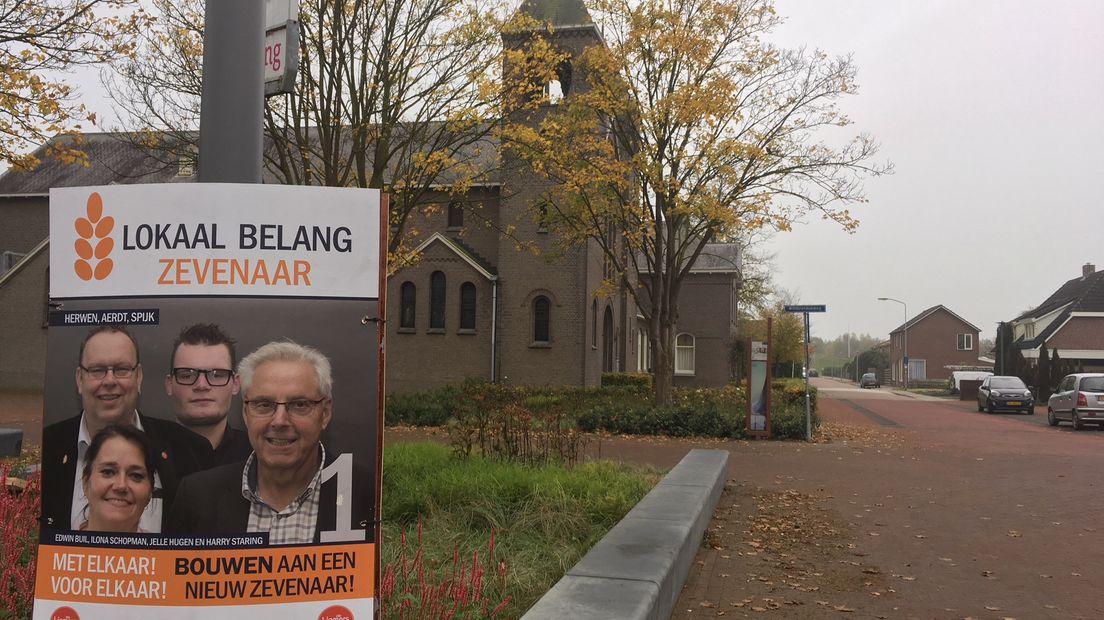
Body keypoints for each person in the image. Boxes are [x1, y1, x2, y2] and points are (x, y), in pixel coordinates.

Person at [168, 341, 370, 545]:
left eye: (299, 405)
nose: (280, 421)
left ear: (325, 413)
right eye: (264, 405)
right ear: (246, 413)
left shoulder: (366, 493)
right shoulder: (198, 497)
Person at [41, 325, 213, 531]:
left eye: (121, 369)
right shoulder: (47, 449)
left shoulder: (191, 451)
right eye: (97, 370)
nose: (110, 381)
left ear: (138, 376)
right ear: (80, 379)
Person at [165, 323, 252, 465]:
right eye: (187, 375)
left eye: (217, 375)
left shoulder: (259, 456)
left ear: (236, 384)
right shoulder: (141, 452)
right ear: (169, 384)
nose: (202, 385)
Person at [79, 424, 156, 532]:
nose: (121, 486)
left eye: (135, 475)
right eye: (108, 472)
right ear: (86, 483)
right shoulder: (57, 546)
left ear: (150, 492)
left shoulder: (164, 549)